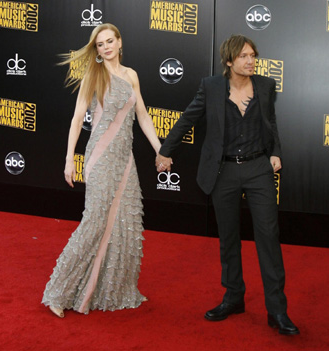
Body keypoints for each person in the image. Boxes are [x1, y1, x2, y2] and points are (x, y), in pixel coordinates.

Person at [156, 34, 299, 335]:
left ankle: (277, 311)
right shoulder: (211, 87)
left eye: (253, 56)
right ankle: (234, 297)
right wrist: (165, 151)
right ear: (230, 60)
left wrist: (275, 153)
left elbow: (270, 123)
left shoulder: (265, 85)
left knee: (268, 238)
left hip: (259, 168)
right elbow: (188, 120)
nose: (251, 61)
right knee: (229, 239)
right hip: (224, 172)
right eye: (244, 56)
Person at [42, 23, 162, 318]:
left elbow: (143, 116)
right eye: (100, 44)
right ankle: (58, 293)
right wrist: (69, 159)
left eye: (110, 41)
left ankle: (118, 290)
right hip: (100, 157)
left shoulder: (131, 75)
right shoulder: (93, 75)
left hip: (125, 161)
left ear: (120, 43)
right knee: (94, 222)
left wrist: (161, 149)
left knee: (126, 223)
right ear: (96, 49)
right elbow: (76, 119)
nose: (106, 47)